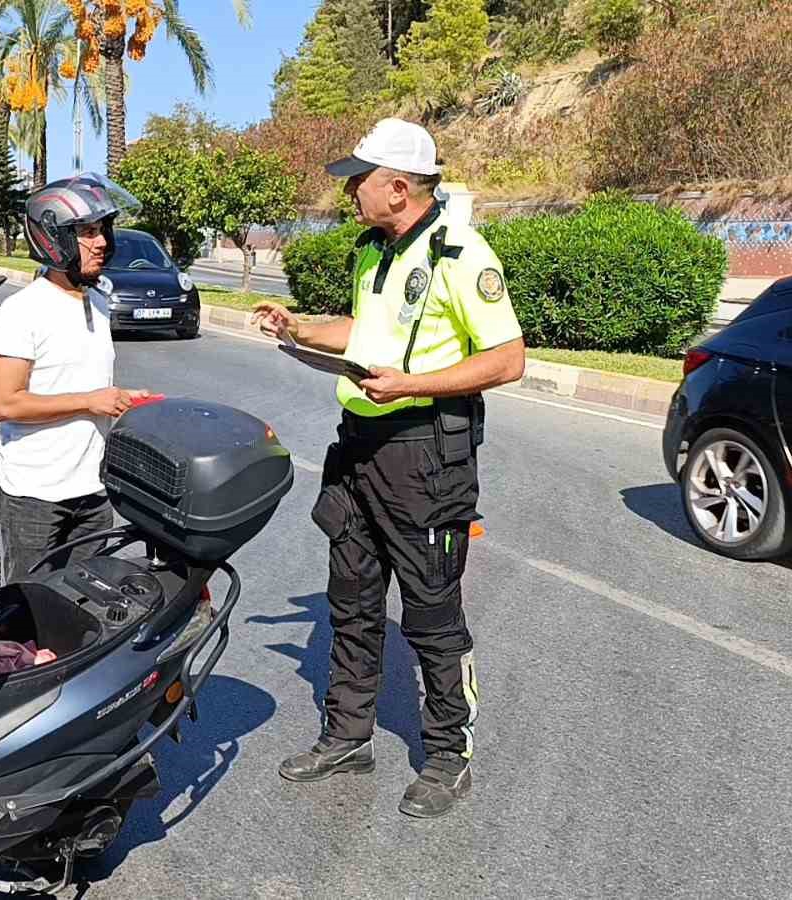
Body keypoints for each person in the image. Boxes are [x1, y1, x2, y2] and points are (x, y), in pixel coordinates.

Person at [253, 118, 526, 818]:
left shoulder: (461, 254)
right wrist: (299, 327)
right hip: (359, 449)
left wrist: (411, 385)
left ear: (398, 188)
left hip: (424, 455)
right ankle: (347, 735)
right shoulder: (372, 249)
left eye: (360, 180)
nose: (350, 191)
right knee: (352, 600)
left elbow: (507, 358)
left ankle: (447, 755)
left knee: (432, 616)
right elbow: (366, 330)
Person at [0, 173, 150, 583]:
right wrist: (89, 400)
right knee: (30, 611)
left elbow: (81, 380)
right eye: (88, 232)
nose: (102, 243)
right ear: (54, 238)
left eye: (103, 230)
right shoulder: (22, 310)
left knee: (83, 607)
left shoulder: (98, 301)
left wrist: (120, 397)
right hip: (36, 495)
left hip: (93, 490)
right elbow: (6, 404)